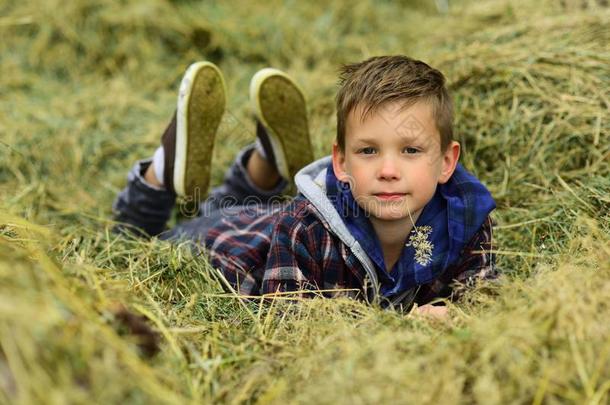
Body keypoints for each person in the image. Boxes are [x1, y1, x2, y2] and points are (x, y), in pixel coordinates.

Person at [112, 56, 497, 314]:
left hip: (261, 218)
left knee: (226, 204)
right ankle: (162, 169)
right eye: (368, 151)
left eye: (411, 150)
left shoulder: (465, 220)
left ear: (447, 162)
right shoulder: (305, 228)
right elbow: (291, 324)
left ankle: (267, 157)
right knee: (130, 240)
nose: (389, 170)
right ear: (340, 162)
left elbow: (485, 298)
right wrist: (401, 329)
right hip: (218, 244)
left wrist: (457, 318)